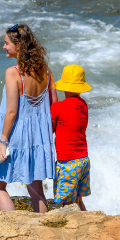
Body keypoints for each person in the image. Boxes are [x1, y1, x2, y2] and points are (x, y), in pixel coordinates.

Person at [0, 23, 57, 213]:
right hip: (38, 139)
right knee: (36, 191)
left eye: (6, 43)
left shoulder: (13, 73)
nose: (4, 47)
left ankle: (14, 226)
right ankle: (41, 229)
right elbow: (54, 107)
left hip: (16, 135)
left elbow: (11, 112)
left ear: (19, 46)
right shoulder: (45, 71)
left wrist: (2, 142)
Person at [50, 64, 92, 211]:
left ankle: (75, 232)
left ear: (64, 86)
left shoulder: (58, 107)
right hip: (83, 160)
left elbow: (50, 130)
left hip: (68, 162)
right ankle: (88, 224)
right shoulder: (83, 105)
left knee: (67, 205)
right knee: (78, 201)